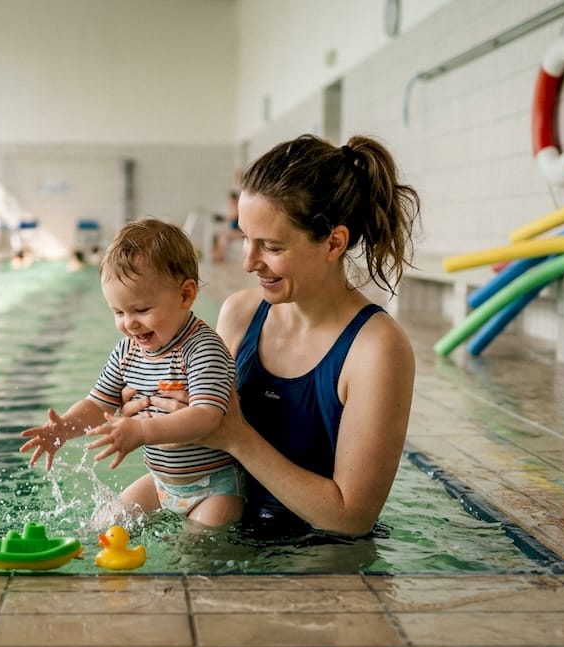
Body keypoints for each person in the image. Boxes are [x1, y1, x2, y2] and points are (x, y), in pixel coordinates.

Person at [126, 134, 420, 538]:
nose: (248, 262)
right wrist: (154, 412)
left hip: (314, 556)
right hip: (218, 522)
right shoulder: (241, 314)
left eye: (271, 246)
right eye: (246, 237)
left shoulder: (375, 349)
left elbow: (351, 518)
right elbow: (204, 437)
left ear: (334, 242)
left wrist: (237, 438)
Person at [19, 218, 244, 528]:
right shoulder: (127, 351)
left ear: (185, 295)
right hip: (161, 482)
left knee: (197, 546)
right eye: (118, 312)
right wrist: (64, 429)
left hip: (214, 488)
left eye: (141, 310)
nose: (129, 323)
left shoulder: (202, 349)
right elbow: (99, 405)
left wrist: (141, 431)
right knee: (105, 525)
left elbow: (207, 417)